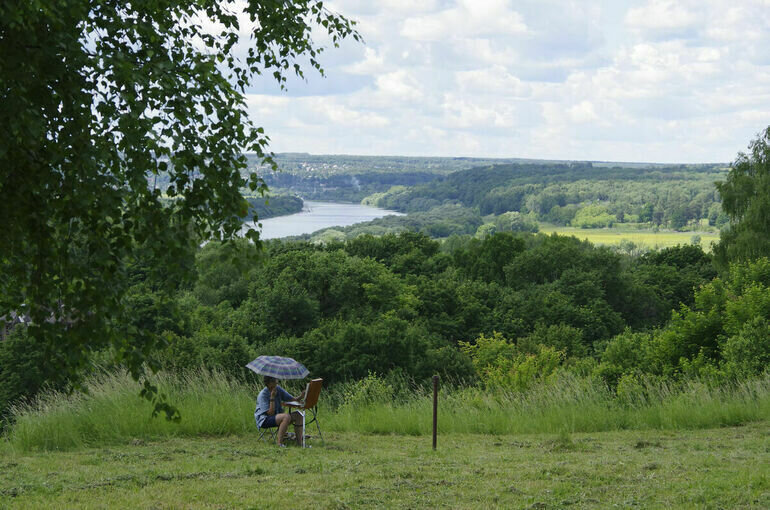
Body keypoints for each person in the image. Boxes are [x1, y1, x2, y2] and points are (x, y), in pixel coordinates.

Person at [255, 375, 305, 447]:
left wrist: (301, 396)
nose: (277, 382)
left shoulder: (278, 389)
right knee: (286, 417)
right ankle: (279, 444)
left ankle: (299, 443)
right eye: (275, 381)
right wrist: (272, 397)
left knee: (299, 415)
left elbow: (292, 399)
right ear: (269, 383)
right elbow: (270, 413)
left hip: (277, 416)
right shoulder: (263, 395)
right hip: (265, 419)